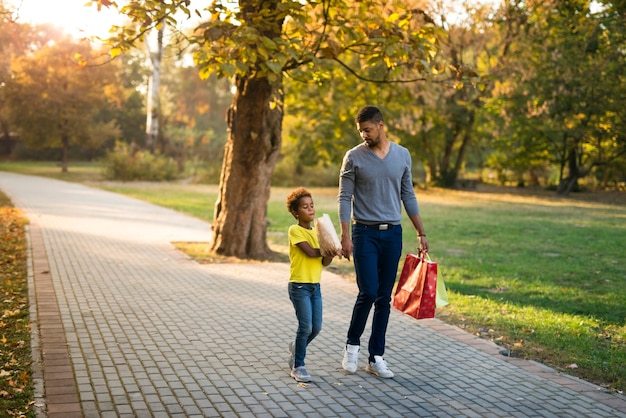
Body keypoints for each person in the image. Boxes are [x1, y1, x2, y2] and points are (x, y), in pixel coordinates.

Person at [338, 105, 429, 378]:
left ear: (380, 125)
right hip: (363, 233)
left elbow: (408, 195)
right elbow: (344, 197)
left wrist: (421, 232)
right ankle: (351, 346)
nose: (364, 134)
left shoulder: (402, 155)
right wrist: (345, 236)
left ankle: (376, 356)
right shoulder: (353, 157)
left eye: (367, 129)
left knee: (383, 298)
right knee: (368, 290)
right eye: (360, 131)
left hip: (392, 234)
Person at [286, 187, 340, 383]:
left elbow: (323, 262)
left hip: (315, 287)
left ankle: (297, 346)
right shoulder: (295, 230)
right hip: (299, 286)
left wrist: (331, 254)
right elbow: (310, 252)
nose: (310, 210)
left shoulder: (319, 232)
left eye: (312, 205)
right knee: (305, 326)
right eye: (305, 207)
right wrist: (328, 247)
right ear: (295, 212)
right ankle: (298, 365)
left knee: (316, 328)